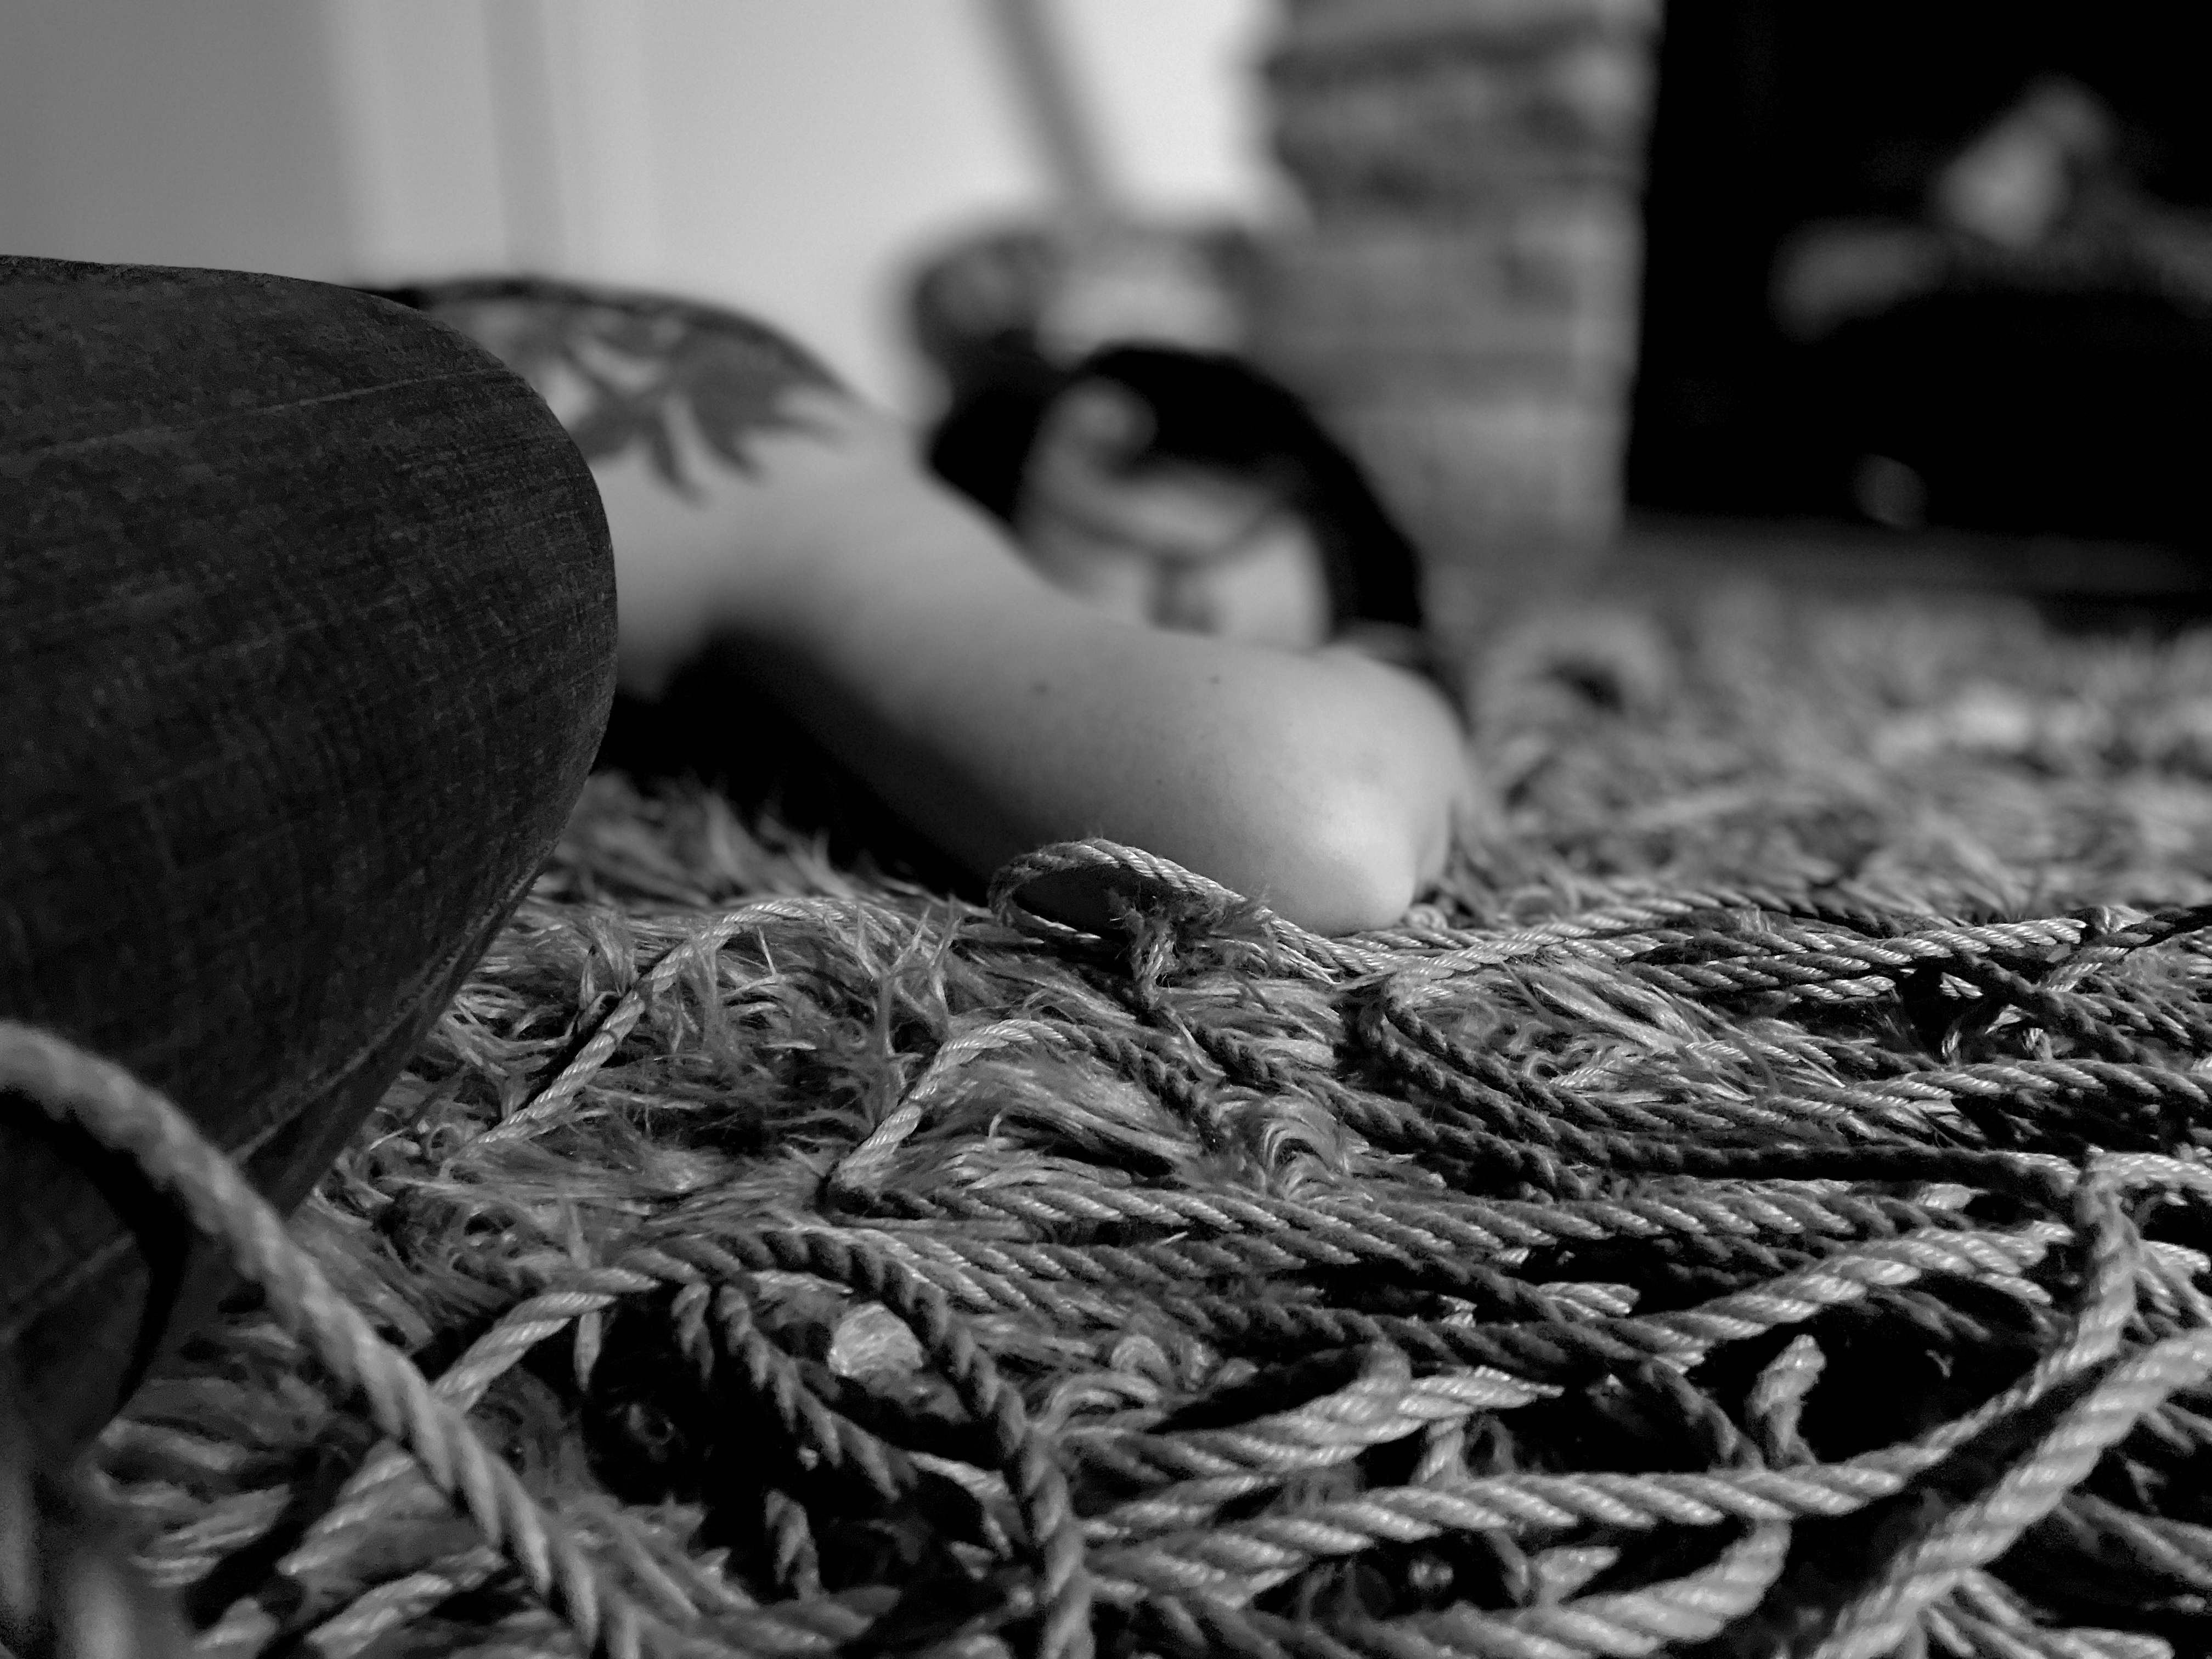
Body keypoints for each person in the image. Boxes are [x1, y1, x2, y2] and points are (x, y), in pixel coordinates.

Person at [1, 254, 1470, 1592]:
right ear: (1106, 432)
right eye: (1183, 602)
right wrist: (1412, 687)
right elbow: (1311, 812)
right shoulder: (814, 452)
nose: (1172, 664)